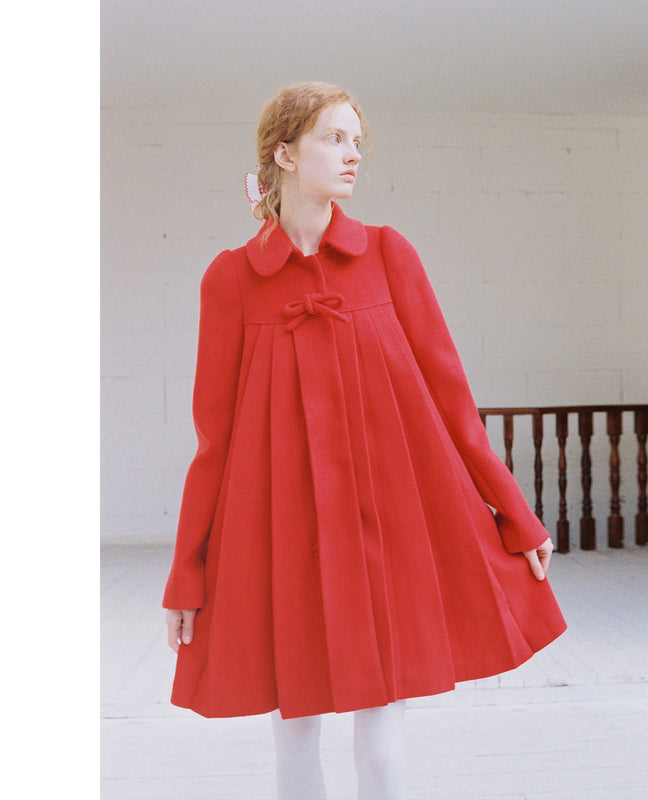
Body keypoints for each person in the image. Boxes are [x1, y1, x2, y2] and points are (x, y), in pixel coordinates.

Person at [163, 81, 566, 800]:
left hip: (386, 531)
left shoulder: (388, 255)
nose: (352, 155)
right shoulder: (231, 280)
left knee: (381, 752)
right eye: (333, 138)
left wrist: (515, 513)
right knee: (294, 744)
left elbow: (453, 402)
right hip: (283, 538)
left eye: (357, 141)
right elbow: (213, 442)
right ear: (283, 153)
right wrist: (187, 573)